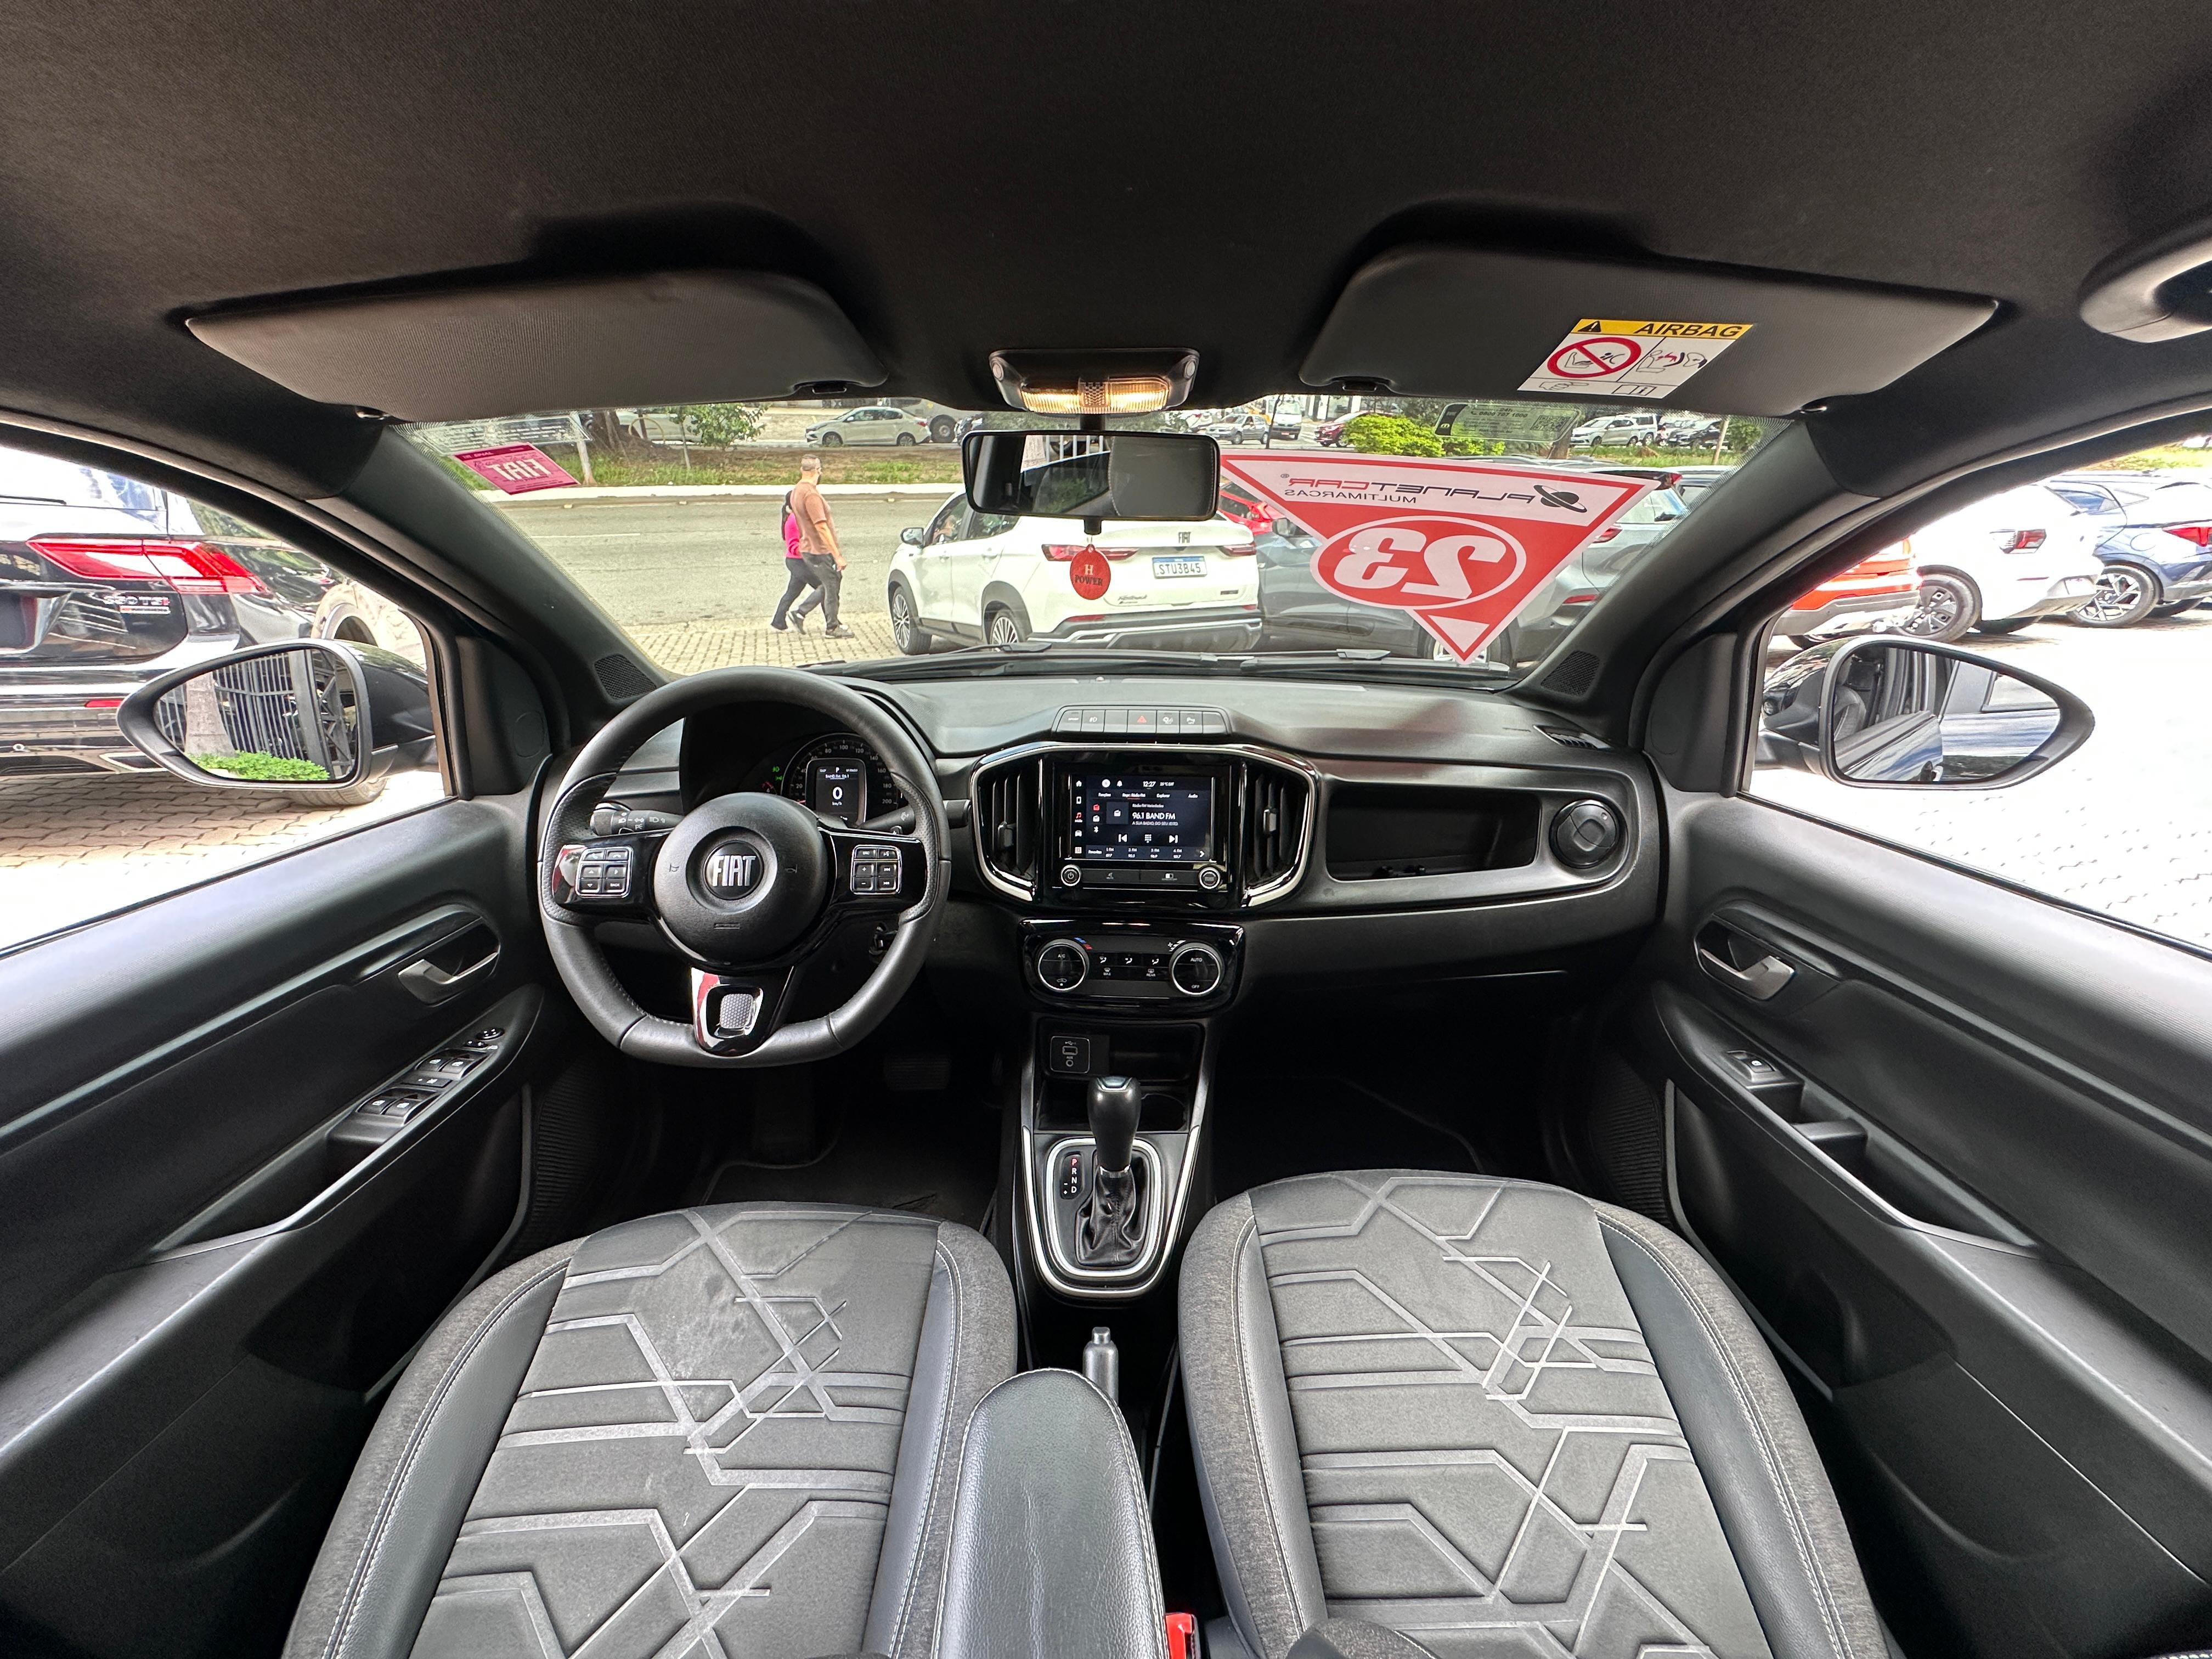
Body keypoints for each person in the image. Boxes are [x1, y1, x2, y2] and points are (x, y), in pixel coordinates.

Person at [785, 453, 853, 638]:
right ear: (818, 471)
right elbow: (821, 527)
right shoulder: (811, 495)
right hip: (818, 549)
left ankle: (810, 616)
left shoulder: (797, 490)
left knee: (831, 582)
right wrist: (837, 555)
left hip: (808, 547)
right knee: (831, 584)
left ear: (802, 470)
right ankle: (829, 626)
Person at [768, 479, 823, 632]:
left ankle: (778, 623)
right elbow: (793, 546)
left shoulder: (800, 519)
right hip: (798, 562)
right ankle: (829, 623)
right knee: (825, 587)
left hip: (800, 562)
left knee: (792, 593)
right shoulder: (793, 521)